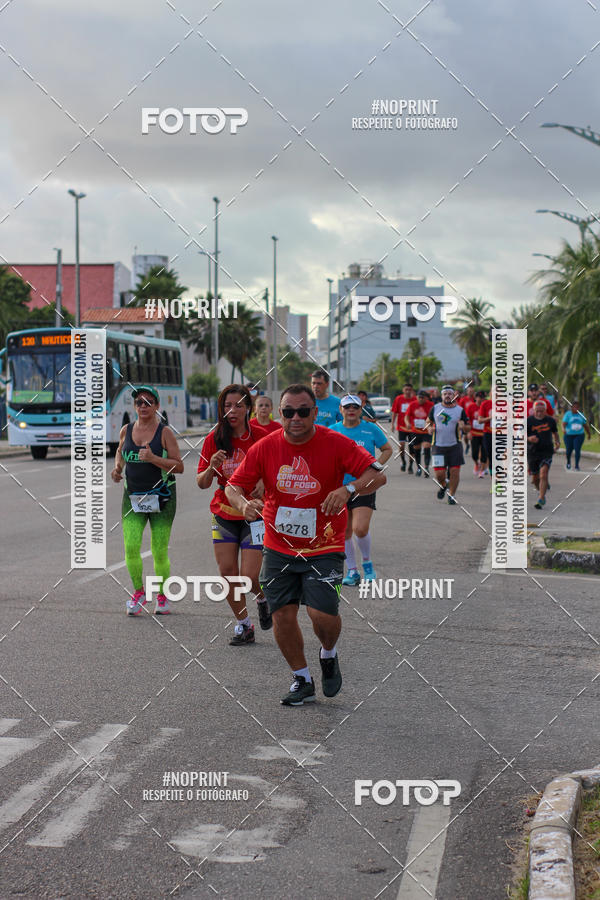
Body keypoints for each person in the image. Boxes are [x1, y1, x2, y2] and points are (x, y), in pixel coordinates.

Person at [224, 383, 386, 706]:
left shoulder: (337, 443)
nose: (294, 418)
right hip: (278, 547)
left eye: (302, 411)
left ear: (315, 412)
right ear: (280, 414)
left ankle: (328, 653)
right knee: (283, 616)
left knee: (322, 617)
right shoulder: (265, 448)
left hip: (323, 547)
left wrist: (348, 490)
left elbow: (378, 475)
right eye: (288, 412)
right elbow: (232, 487)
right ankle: (301, 678)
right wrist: (243, 505)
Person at [196, 384, 271, 644]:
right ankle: (244, 625)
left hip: (254, 514)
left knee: (249, 577)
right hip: (224, 513)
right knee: (228, 572)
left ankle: (262, 598)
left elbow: (279, 470)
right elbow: (202, 483)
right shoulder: (213, 439)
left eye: (238, 405)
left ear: (248, 408)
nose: (232, 411)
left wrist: (265, 482)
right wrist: (211, 468)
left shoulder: (262, 437)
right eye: (227, 406)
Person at [111, 385, 184, 616]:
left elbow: (179, 466)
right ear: (134, 406)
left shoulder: (164, 433)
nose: (143, 406)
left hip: (162, 498)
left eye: (148, 402)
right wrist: (117, 469)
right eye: (139, 402)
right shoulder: (126, 429)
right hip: (133, 497)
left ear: (157, 406)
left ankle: (162, 596)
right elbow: (121, 451)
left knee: (158, 550)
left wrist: (153, 458)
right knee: (131, 547)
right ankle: (139, 592)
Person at [330, 395, 392, 584]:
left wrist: (375, 467)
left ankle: (367, 565)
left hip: (364, 486)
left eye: (355, 407)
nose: (351, 410)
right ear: (340, 409)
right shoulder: (332, 431)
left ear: (360, 409)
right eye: (347, 407)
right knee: (345, 531)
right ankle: (352, 571)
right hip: (340, 487)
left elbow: (387, 449)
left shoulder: (370, 428)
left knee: (360, 529)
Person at [427, 385, 470, 505]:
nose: (447, 395)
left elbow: (468, 427)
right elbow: (428, 421)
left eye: (450, 393)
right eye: (445, 393)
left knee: (455, 472)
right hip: (438, 446)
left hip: (455, 445)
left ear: (454, 395)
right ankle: (444, 485)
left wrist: (464, 427)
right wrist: (429, 428)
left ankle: (451, 495)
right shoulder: (435, 408)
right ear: (441, 396)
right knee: (439, 475)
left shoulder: (460, 410)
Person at [527, 399, 560, 508]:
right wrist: (529, 438)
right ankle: (542, 489)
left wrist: (557, 442)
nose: (539, 413)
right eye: (537, 411)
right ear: (533, 410)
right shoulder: (528, 421)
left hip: (547, 451)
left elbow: (555, 433)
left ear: (545, 411)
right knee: (535, 479)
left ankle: (541, 498)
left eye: (542, 411)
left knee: (544, 474)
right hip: (533, 452)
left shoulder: (550, 420)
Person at [404, 389, 433, 477]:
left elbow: (435, 417)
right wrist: (408, 423)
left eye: (422, 398)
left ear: (426, 398)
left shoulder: (431, 405)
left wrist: (432, 426)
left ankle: (427, 467)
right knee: (417, 449)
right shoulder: (412, 405)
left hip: (426, 431)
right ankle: (419, 468)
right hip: (415, 431)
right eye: (419, 397)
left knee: (427, 446)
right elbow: (407, 417)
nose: (420, 399)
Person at [391, 383, 416, 472]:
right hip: (401, 427)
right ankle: (403, 461)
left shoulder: (415, 399)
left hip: (412, 428)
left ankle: (410, 465)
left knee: (412, 447)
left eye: (410, 389)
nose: (408, 391)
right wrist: (392, 424)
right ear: (403, 390)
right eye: (406, 389)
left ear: (412, 390)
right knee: (401, 446)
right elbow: (394, 412)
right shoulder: (398, 399)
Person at [562, 400, 590, 471]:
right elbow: (563, 424)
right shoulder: (568, 414)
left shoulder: (581, 415)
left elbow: (585, 425)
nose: (576, 409)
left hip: (579, 435)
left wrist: (588, 434)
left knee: (577, 449)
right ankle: (568, 462)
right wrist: (563, 429)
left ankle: (577, 465)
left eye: (577, 407)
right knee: (568, 450)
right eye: (574, 407)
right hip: (568, 435)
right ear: (571, 408)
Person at [468, 390, 487, 477]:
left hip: (484, 433)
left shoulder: (486, 407)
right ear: (475, 398)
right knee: (474, 454)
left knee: (484, 453)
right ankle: (477, 463)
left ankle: (482, 470)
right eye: (478, 397)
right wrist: (468, 432)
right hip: (474, 433)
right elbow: (467, 420)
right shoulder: (471, 407)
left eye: (482, 398)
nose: (480, 399)